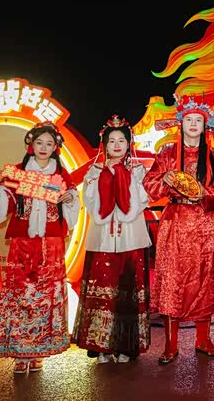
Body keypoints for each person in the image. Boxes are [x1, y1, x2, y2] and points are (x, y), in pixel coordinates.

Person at [0, 121, 80, 374]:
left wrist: (70, 199)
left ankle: (38, 353)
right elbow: (1, 210)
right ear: (31, 144)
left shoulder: (62, 174)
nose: (44, 147)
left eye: (49, 143)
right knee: (21, 297)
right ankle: (20, 354)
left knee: (45, 299)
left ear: (55, 147)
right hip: (22, 245)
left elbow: (71, 210)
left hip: (51, 246)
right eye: (39, 142)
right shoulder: (17, 173)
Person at [142, 94, 214, 365]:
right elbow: (149, 184)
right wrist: (164, 178)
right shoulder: (168, 153)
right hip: (176, 222)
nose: (193, 125)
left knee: (206, 280)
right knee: (174, 280)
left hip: (205, 223)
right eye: (188, 120)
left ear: (204, 126)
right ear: (181, 124)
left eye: (197, 121)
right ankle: (171, 345)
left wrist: (204, 193)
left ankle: (203, 340)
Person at [72, 115, 151, 364]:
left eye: (121, 140)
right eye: (112, 141)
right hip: (103, 238)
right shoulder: (94, 172)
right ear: (104, 145)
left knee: (127, 292)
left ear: (129, 143)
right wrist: (108, 179)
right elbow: (90, 203)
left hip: (131, 238)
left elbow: (142, 201)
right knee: (102, 292)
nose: (116, 145)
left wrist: (124, 179)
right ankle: (102, 346)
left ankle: (126, 346)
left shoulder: (138, 170)